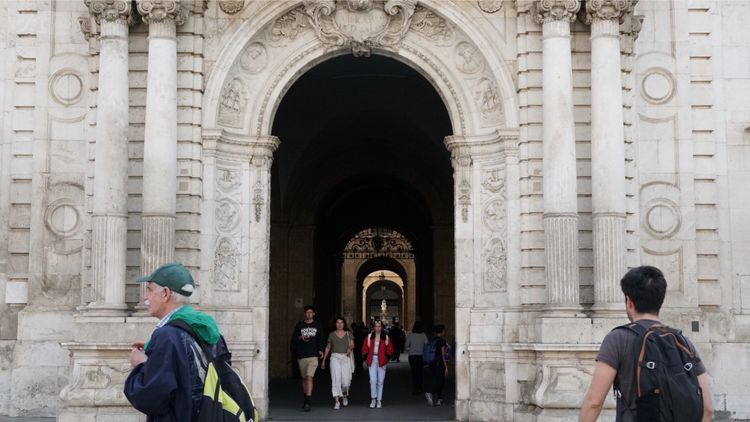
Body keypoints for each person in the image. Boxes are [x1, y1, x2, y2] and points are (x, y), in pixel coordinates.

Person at [579, 266, 713, 422]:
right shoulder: (683, 341)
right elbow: (708, 409)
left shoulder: (618, 338)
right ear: (660, 300)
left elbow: (594, 402)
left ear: (629, 302)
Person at [124, 262, 228, 422]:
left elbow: (149, 398)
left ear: (165, 293)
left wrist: (141, 364)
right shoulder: (207, 329)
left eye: (149, 290)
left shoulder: (167, 336)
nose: (145, 297)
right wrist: (157, 352)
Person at [290, 305, 325, 412]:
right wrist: (301, 337)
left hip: (313, 355)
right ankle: (305, 398)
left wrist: (321, 350)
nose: (309, 314)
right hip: (302, 356)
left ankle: (308, 401)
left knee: (309, 377)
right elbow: (294, 339)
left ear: (314, 314)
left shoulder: (318, 325)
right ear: (305, 314)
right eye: (307, 312)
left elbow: (321, 338)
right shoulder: (299, 325)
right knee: (304, 379)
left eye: (311, 312)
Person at [321, 316, 355, 409]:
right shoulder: (331, 335)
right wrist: (324, 360)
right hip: (335, 357)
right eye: (338, 323)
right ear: (335, 324)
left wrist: (350, 348)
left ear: (344, 324)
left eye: (341, 323)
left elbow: (352, 344)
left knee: (346, 381)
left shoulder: (348, 334)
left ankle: (344, 395)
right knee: (336, 379)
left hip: (345, 357)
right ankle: (337, 401)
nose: (340, 324)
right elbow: (328, 347)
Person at [361, 319, 394, 409]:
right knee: (373, 380)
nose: (378, 328)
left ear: (382, 327)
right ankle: (373, 398)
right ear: (374, 327)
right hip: (372, 359)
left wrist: (387, 357)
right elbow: (364, 348)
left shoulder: (385, 337)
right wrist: (366, 357)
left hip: (382, 360)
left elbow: (390, 349)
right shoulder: (369, 336)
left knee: (380, 381)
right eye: (376, 326)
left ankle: (379, 400)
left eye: (379, 326)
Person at [424, 324, 448, 406]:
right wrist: (446, 366)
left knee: (438, 380)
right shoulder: (442, 341)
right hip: (439, 362)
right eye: (444, 330)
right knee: (441, 381)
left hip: (432, 362)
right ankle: (430, 393)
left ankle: (439, 399)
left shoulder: (432, 339)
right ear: (442, 331)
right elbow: (443, 354)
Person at [405, 320, 428, 394]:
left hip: (412, 356)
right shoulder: (423, 335)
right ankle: (420, 387)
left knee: (414, 372)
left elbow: (406, 345)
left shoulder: (411, 335)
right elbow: (427, 344)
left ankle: (415, 388)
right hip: (420, 355)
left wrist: (410, 348)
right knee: (420, 372)